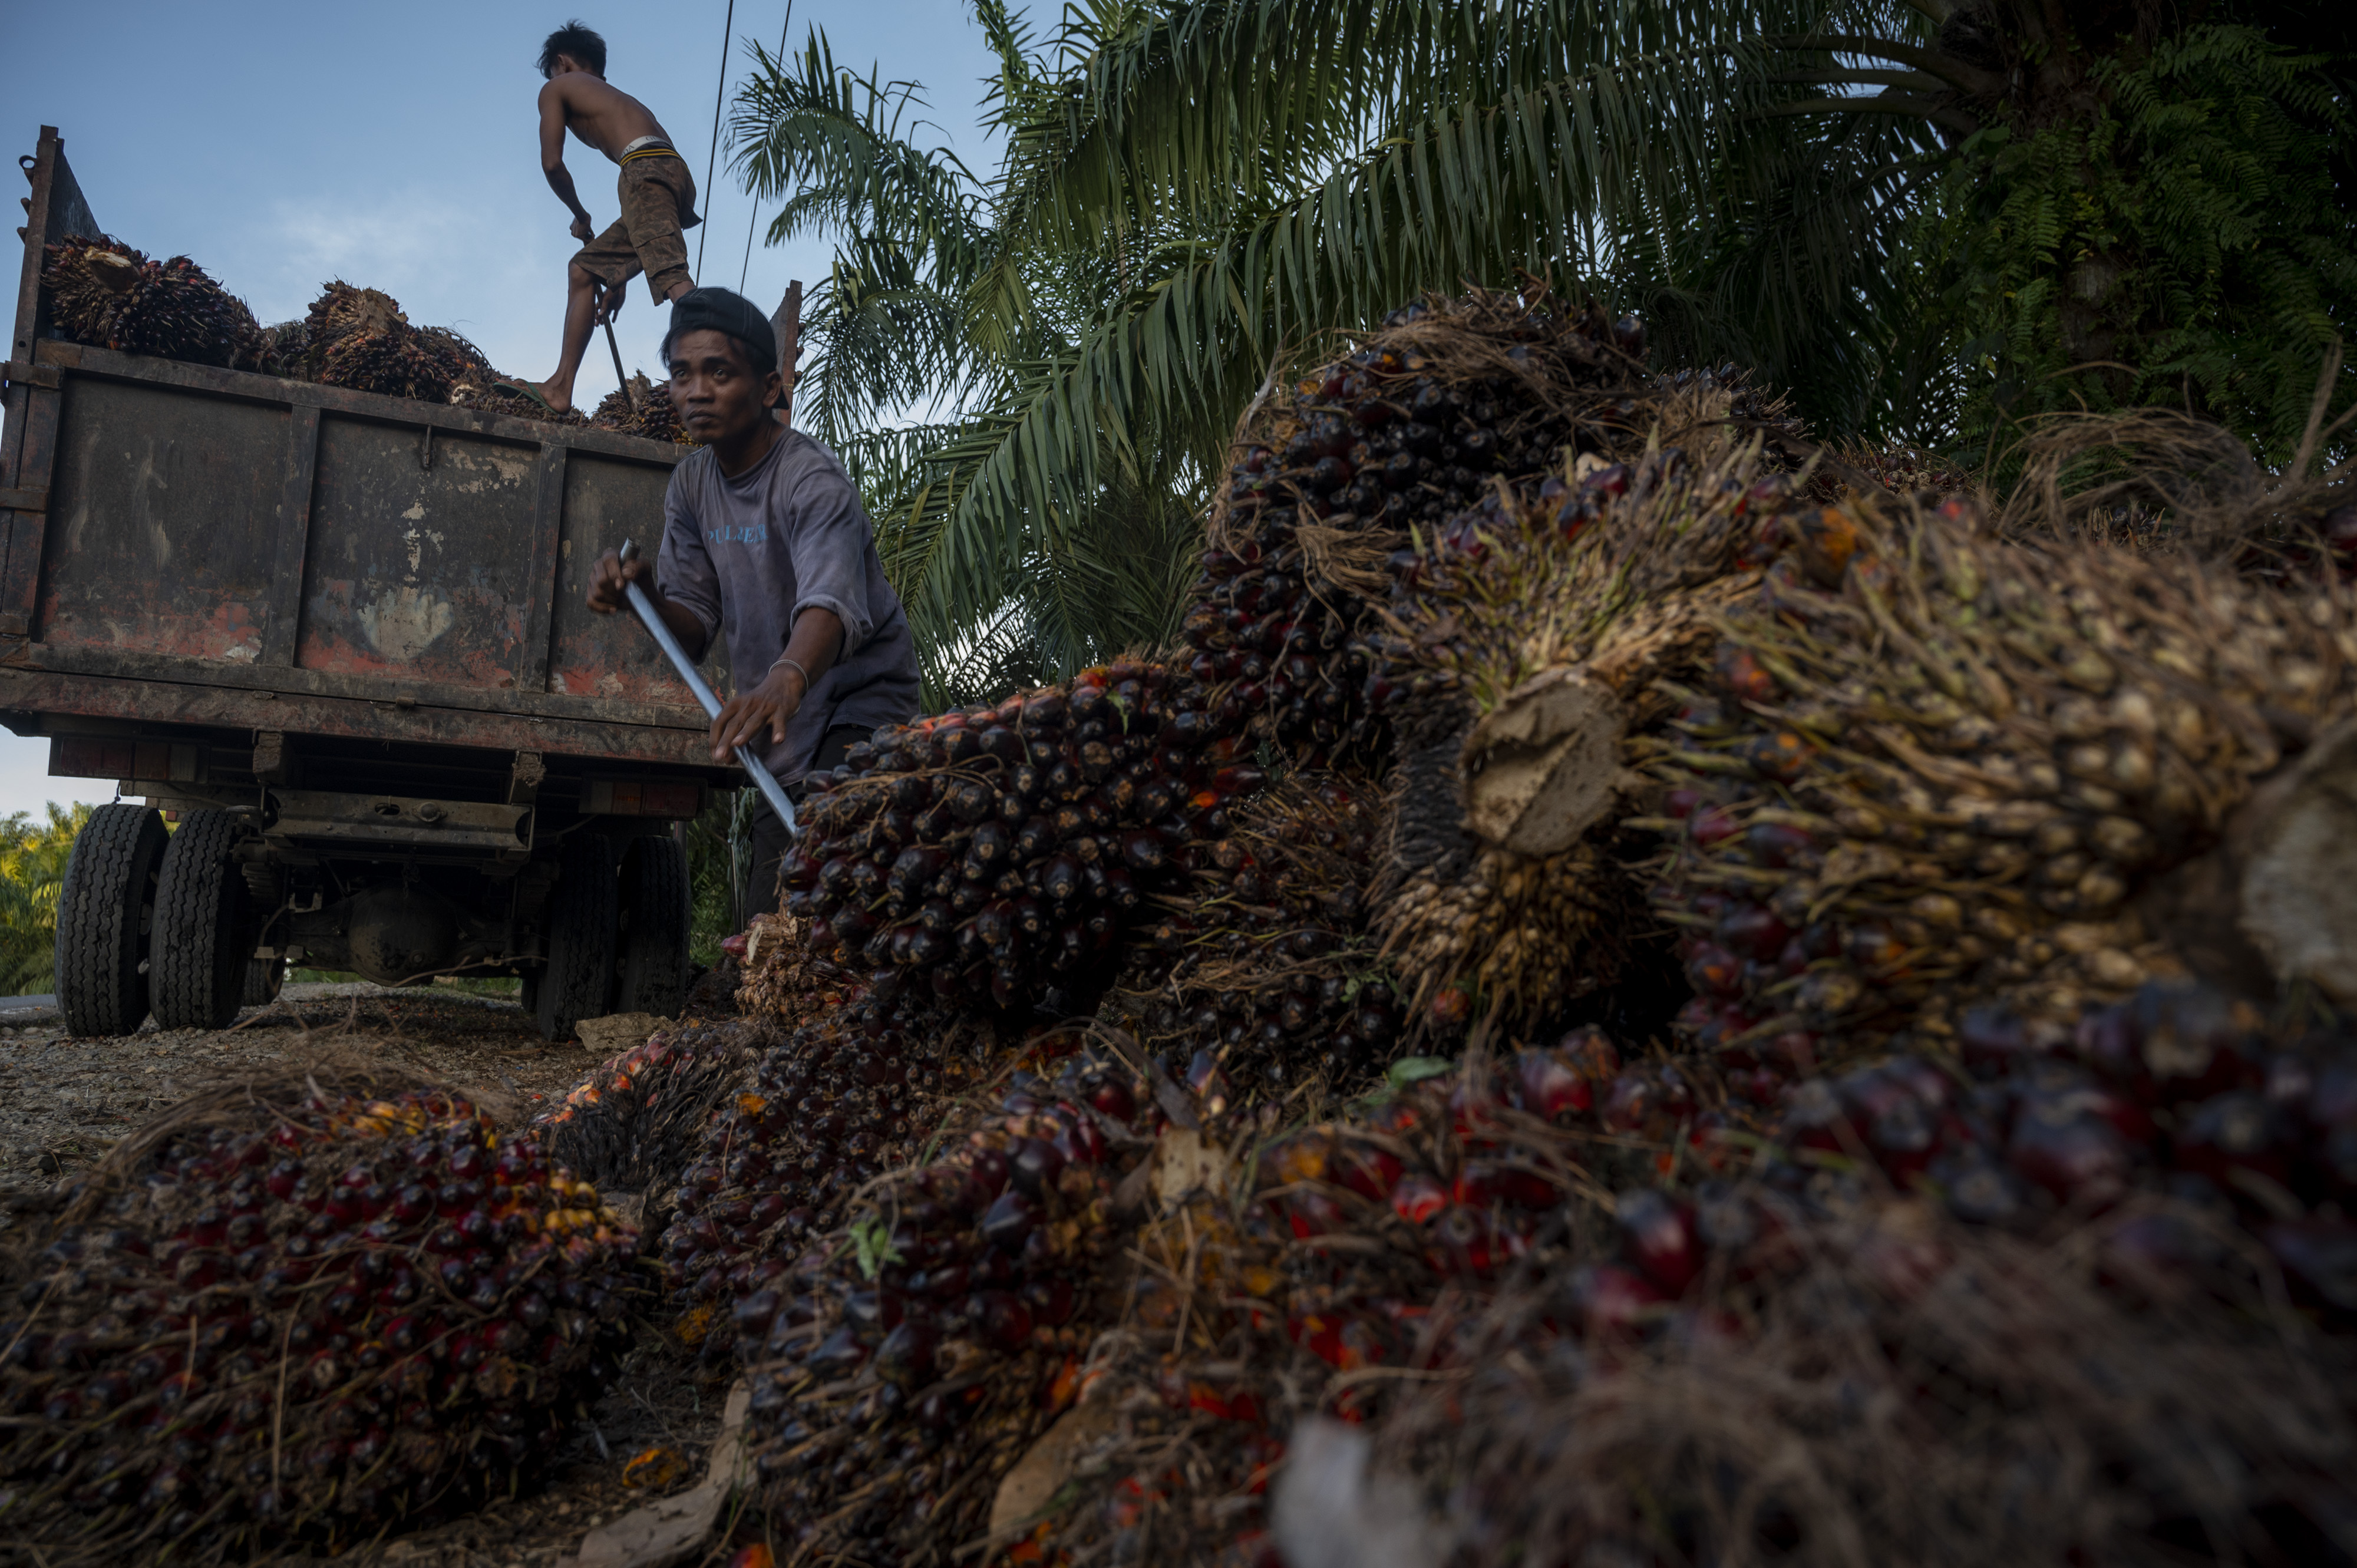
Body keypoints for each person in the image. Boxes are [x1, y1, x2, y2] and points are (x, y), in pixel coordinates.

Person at [586, 288, 920, 922]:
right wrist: (644, 597)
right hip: (780, 729)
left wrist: (784, 680)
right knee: (764, 930)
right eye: (681, 374)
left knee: (834, 901)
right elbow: (692, 630)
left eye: (719, 371)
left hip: (859, 712)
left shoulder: (811, 478)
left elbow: (831, 604)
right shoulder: (690, 485)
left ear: (769, 389)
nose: (696, 391)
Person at [517, 21, 702, 414]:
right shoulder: (617, 96)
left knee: (671, 276)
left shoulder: (556, 88)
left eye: (553, 71)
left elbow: (552, 164)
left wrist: (580, 214)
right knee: (584, 271)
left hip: (643, 166)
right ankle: (560, 388)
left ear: (562, 64)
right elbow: (650, 218)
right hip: (672, 173)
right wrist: (619, 273)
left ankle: (726, 354)